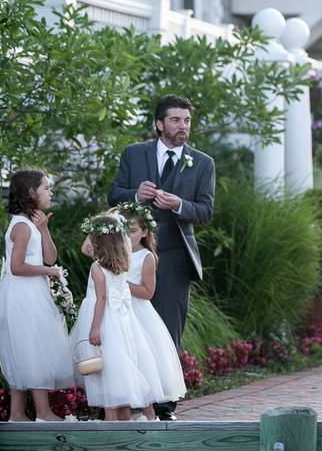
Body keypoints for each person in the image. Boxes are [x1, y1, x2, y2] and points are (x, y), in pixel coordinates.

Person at [108, 95, 215, 420]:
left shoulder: (202, 162)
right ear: (159, 124)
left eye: (186, 121)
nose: (182, 127)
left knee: (167, 331)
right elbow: (114, 194)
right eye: (175, 120)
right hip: (132, 256)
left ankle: (164, 404)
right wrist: (134, 195)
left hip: (174, 258)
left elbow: (206, 211)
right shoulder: (133, 153)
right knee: (129, 327)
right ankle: (133, 399)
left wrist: (179, 205)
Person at [0, 169, 73, 422]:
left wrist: (45, 229)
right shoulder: (22, 227)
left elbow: (50, 257)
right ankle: (43, 411)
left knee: (27, 349)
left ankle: (17, 413)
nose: (50, 192)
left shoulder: (31, 225)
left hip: (31, 292)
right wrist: (48, 272)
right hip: (22, 295)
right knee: (33, 349)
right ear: (30, 192)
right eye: (46, 188)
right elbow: (17, 267)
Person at [70, 213, 163, 421]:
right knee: (121, 366)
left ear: (98, 241)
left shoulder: (98, 267)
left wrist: (94, 328)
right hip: (121, 321)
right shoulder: (124, 263)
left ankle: (111, 420)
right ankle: (132, 417)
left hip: (102, 321)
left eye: (93, 236)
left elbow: (101, 298)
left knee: (107, 371)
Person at [115, 202, 187, 419]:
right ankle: (122, 406)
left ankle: (148, 410)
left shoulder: (146, 257)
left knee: (142, 358)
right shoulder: (115, 252)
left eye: (133, 230)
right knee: (120, 356)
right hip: (117, 312)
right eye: (123, 229)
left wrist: (119, 284)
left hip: (138, 312)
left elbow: (147, 292)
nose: (128, 235)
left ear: (145, 231)